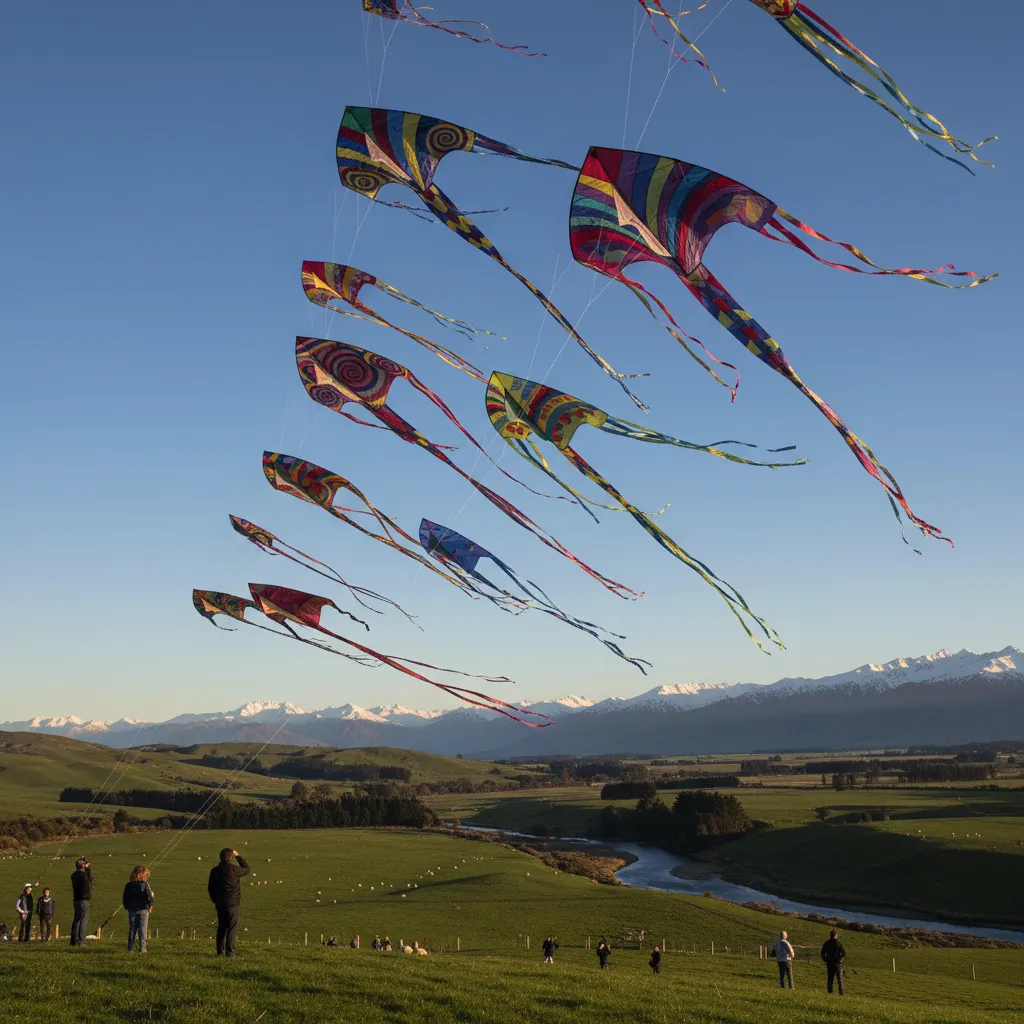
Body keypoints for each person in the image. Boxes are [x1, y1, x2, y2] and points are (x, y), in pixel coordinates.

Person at [207, 847, 249, 957]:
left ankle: (220, 952)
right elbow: (247, 869)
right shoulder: (235, 870)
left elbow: (210, 888)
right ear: (231, 858)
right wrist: (238, 856)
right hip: (233, 903)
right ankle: (230, 953)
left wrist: (215, 900)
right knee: (232, 929)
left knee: (221, 927)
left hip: (220, 903)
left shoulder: (214, 871)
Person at [122, 865, 155, 953]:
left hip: (132, 910)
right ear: (140, 874)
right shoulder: (145, 884)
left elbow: (125, 897)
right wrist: (150, 905)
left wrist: (127, 906)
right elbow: (149, 896)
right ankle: (142, 949)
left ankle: (130, 949)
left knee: (132, 929)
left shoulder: (128, 885)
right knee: (142, 929)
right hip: (143, 909)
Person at [70, 857, 93, 947]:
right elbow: (91, 878)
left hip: (76, 900)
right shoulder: (84, 875)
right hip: (84, 900)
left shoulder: (73, 875)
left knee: (76, 920)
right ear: (83, 865)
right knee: (83, 921)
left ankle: (73, 940)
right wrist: (88, 868)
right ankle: (81, 941)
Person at [820, 929, 846, 995]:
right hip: (837, 963)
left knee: (830, 978)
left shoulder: (826, 943)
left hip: (829, 963)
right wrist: (839, 959)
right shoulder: (838, 943)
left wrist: (825, 959)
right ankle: (841, 992)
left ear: (830, 935)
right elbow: (843, 953)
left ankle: (830, 991)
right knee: (839, 978)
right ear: (836, 935)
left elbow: (822, 952)